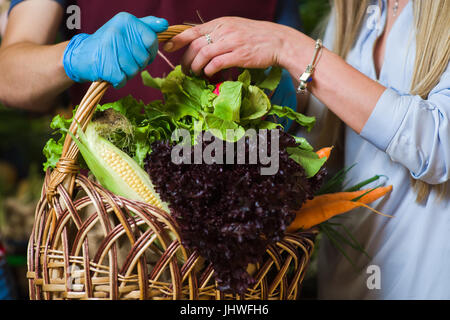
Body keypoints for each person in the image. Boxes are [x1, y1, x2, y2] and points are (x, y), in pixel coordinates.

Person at [165, 0, 450, 299]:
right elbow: (332, 116)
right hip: (342, 281)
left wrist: (289, 47)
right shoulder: (359, 9)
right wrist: (258, 95)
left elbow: (439, 145)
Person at [0, 0, 300, 112]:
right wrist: (74, 56)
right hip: (104, 207)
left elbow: (298, 76)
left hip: (226, 188)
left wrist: (283, 88)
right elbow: (8, 77)